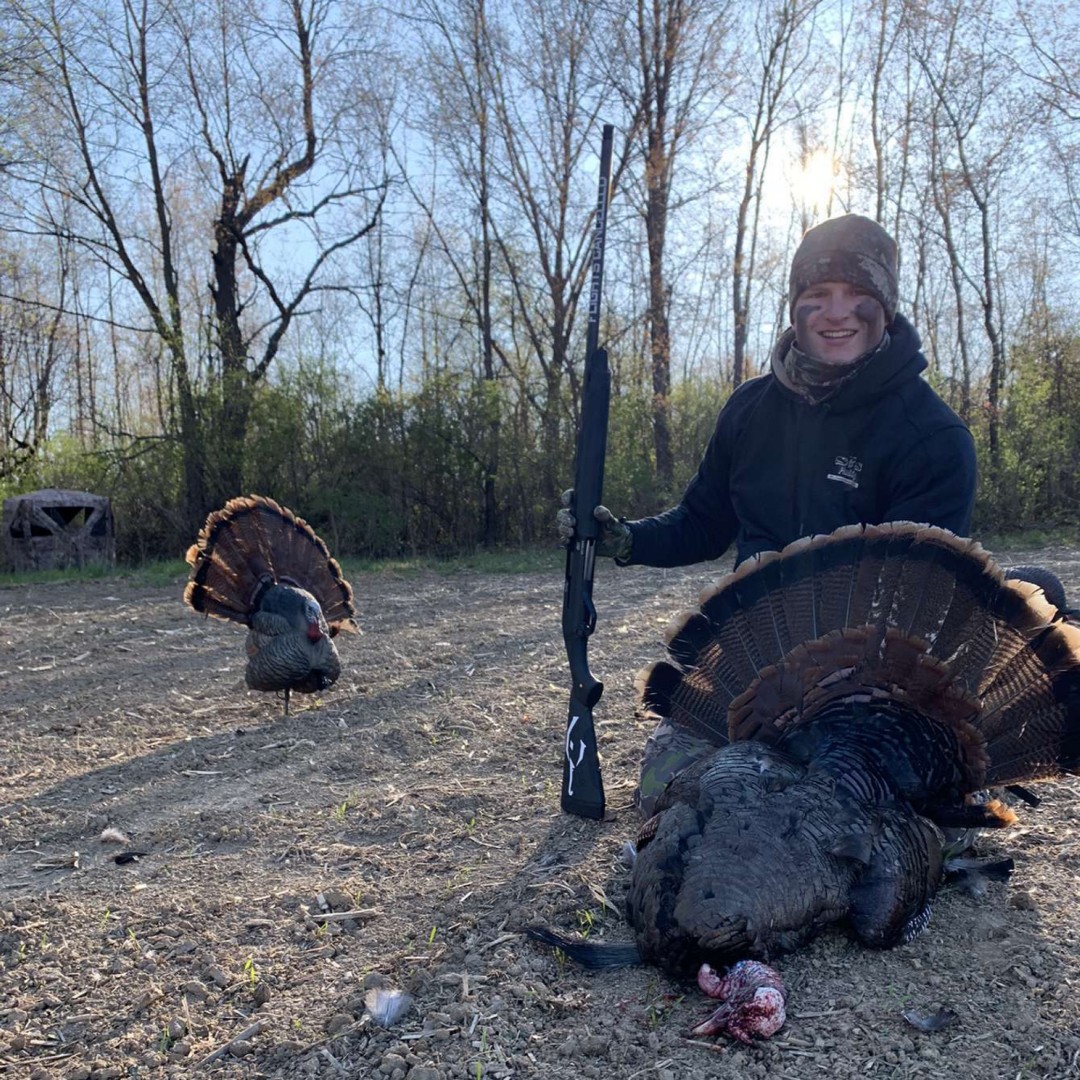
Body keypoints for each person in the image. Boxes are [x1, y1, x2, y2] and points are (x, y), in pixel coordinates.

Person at [558, 212, 981, 815]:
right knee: (665, 795)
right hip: (753, 667)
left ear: (886, 307)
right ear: (794, 309)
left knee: (837, 812)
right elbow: (702, 524)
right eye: (817, 296)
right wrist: (623, 539)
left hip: (870, 681)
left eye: (858, 294)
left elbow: (912, 601)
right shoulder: (750, 410)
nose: (837, 313)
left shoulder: (931, 435)